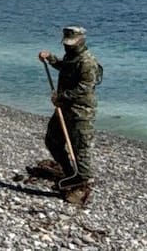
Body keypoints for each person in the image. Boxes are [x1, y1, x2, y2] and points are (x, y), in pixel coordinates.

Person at [38, 26, 103, 194]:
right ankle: (69, 173)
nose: (68, 46)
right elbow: (65, 68)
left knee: (80, 148)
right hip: (64, 109)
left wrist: (62, 96)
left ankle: (82, 179)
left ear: (81, 40)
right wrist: (51, 58)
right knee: (52, 141)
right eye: (66, 43)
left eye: (71, 43)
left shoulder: (87, 62)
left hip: (81, 112)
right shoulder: (71, 57)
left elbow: (85, 87)